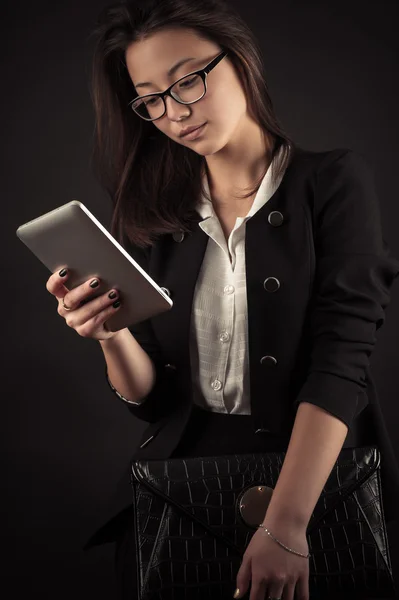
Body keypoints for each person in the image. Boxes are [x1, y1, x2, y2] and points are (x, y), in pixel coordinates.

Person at [45, 0, 399, 598]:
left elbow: (343, 361)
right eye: (151, 98)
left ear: (241, 61)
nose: (175, 111)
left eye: (188, 80)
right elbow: (152, 397)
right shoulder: (155, 218)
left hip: (315, 481)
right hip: (180, 486)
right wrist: (110, 333)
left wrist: (286, 525)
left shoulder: (333, 182)